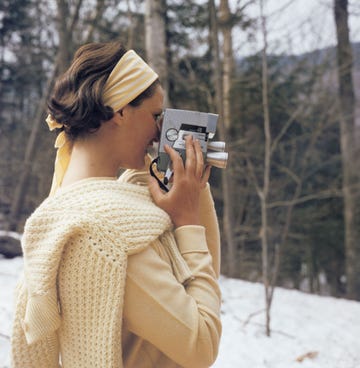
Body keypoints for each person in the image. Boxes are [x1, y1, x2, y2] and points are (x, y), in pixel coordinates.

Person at [10, 41, 222, 368]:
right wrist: (188, 221)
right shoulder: (112, 233)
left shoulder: (70, 210)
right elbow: (202, 344)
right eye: (155, 116)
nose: (159, 132)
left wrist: (194, 190)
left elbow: (197, 289)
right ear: (120, 111)